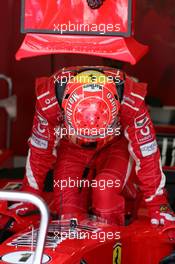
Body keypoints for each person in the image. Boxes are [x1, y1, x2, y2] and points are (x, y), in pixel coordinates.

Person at [9, 66, 175, 226]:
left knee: (104, 192)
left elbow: (147, 153)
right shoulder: (50, 99)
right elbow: (40, 150)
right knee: (67, 210)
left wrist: (158, 204)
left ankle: (128, 198)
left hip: (114, 146)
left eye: (97, 133)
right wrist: (30, 195)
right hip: (71, 148)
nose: (91, 140)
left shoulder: (131, 99)